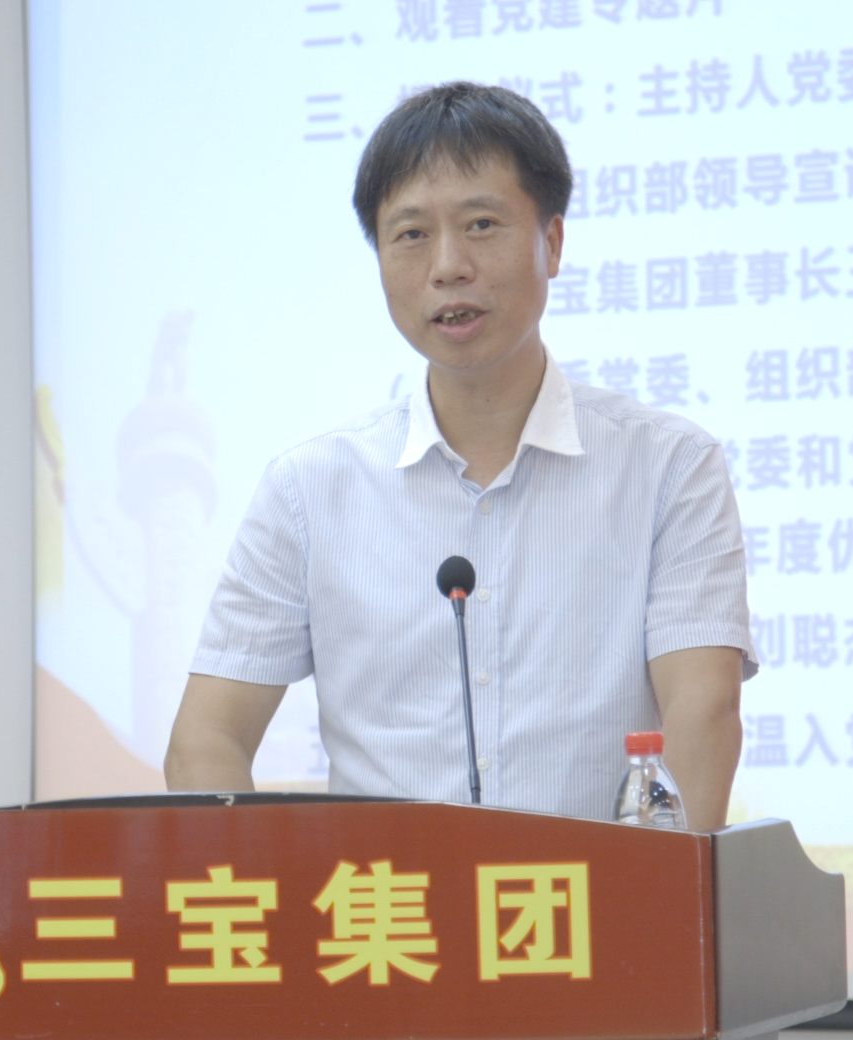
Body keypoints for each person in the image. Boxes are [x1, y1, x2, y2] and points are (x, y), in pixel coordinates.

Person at [163, 82, 756, 829]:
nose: (447, 266)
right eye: (411, 234)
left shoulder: (669, 468)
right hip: (387, 901)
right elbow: (205, 740)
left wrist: (660, 894)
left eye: (481, 225)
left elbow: (703, 712)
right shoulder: (309, 490)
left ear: (552, 243)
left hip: (586, 899)